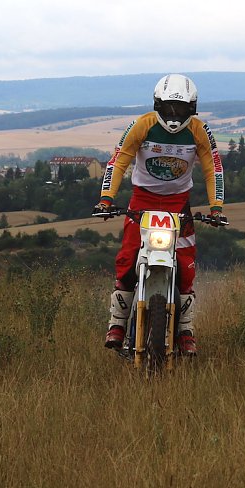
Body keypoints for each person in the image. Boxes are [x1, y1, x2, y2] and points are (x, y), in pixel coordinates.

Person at [95, 73, 225, 356]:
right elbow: (119, 161)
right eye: (168, 107)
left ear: (192, 108)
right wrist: (106, 199)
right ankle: (116, 324)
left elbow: (213, 168)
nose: (175, 114)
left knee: (187, 266)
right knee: (128, 259)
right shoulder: (143, 126)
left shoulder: (200, 131)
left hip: (180, 205)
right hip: (141, 202)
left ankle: (185, 330)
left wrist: (217, 207)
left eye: (181, 108)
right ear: (157, 105)